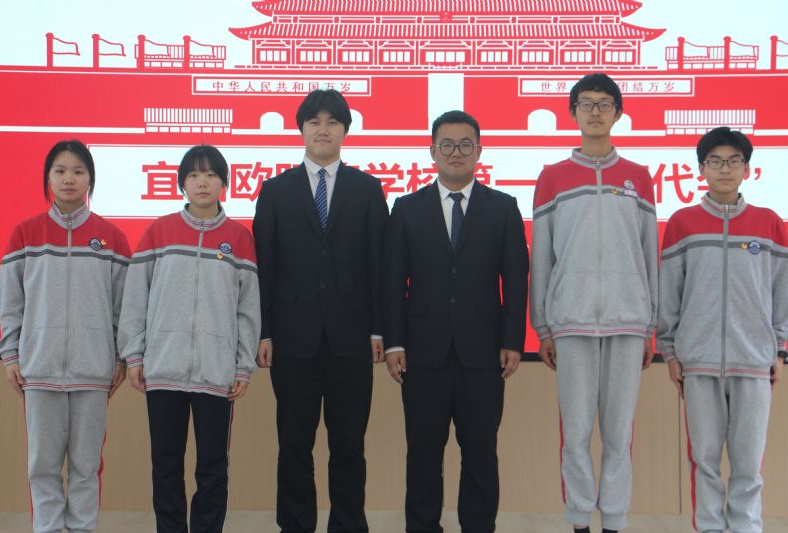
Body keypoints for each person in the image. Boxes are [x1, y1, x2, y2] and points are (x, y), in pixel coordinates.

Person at [382, 110, 529, 533]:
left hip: (483, 352)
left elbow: (515, 279)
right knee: (423, 453)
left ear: (479, 151)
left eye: (466, 144)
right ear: (432, 152)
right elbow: (392, 279)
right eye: (446, 144)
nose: (456, 152)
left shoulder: (503, 208)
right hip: (422, 351)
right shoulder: (406, 208)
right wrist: (394, 342)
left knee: (480, 452)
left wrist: (513, 340)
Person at [252, 89, 388, 533]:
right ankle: (296, 526)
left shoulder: (368, 189)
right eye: (314, 121)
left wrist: (378, 329)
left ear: (345, 130)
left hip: (352, 341)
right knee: (294, 445)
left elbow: (379, 265)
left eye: (332, 121)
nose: (323, 129)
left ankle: (348, 525)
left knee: (349, 446)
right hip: (293, 341)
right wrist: (264, 332)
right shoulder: (275, 191)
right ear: (302, 129)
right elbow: (265, 268)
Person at [529, 73, 658, 533]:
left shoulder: (639, 177)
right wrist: (543, 327)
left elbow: (649, 254)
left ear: (618, 113)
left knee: (620, 433)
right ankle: (580, 519)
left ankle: (615, 521)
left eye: (605, 104)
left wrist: (650, 325)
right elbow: (542, 256)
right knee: (577, 431)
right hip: (572, 321)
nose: (596, 112)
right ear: (573, 113)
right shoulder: (553, 177)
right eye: (586, 104)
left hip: (628, 322)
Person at [117, 144, 260, 533]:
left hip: (217, 372)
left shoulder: (238, 238)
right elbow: (135, 298)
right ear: (182, 183)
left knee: (213, 466)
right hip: (164, 368)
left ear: (224, 183)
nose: (202, 182)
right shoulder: (158, 231)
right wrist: (134, 355)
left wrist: (242, 365)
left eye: (211, 175)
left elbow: (248, 309)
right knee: (166, 463)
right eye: (194, 175)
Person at [0, 140, 131, 533]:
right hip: (39, 370)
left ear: (90, 179)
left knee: (87, 466)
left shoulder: (111, 237)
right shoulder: (25, 234)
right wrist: (11, 355)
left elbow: (124, 306)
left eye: (78, 171)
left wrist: (121, 357)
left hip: (93, 371)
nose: (69, 178)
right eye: (60, 170)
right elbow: (10, 302)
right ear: (48, 178)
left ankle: (82, 528)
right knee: (43, 466)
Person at [658, 127, 787, 533]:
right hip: (698, 363)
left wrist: (780, 349)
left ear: (747, 169)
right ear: (701, 169)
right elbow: (669, 293)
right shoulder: (683, 223)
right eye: (715, 161)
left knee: (748, 464)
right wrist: (670, 351)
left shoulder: (769, 224)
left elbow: (782, 291)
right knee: (706, 460)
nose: (724, 169)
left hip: (754, 361)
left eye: (733, 161)